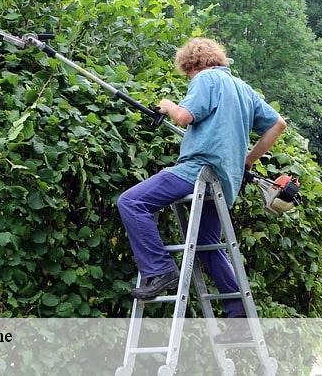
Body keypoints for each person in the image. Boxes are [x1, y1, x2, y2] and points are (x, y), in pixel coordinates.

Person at [116, 37, 287, 322]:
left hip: (197, 170)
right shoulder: (244, 89)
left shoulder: (205, 79)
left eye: (187, 73)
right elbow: (278, 124)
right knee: (208, 244)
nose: (189, 78)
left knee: (131, 202)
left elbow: (184, 117)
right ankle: (237, 307)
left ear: (192, 65)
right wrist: (247, 160)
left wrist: (168, 105)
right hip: (225, 180)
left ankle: (159, 270)